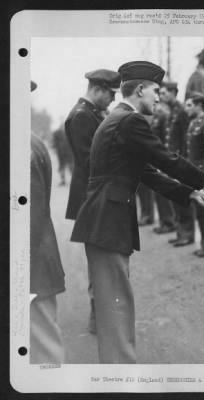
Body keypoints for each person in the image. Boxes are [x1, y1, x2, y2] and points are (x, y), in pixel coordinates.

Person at [71, 61, 204, 363]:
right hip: (107, 222)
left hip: (104, 220)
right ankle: (120, 379)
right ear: (140, 90)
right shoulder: (130, 121)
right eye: (156, 91)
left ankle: (119, 372)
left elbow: (147, 172)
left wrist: (188, 192)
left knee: (115, 304)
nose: (159, 97)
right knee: (116, 307)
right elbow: (164, 158)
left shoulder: (118, 119)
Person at [65, 69, 120, 333]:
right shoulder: (81, 117)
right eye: (110, 94)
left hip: (94, 195)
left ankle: (101, 316)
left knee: (102, 257)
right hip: (92, 196)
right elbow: (90, 161)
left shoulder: (90, 114)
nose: (111, 100)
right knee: (99, 259)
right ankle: (99, 319)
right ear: (97, 89)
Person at [30, 80, 66, 363]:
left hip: (30, 266)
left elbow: (28, 219)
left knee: (43, 352)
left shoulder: (22, 147)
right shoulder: (31, 141)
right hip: (35, 262)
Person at [160, 81, 195, 247]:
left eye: (165, 92)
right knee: (175, 197)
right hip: (172, 161)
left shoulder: (181, 111)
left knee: (182, 198)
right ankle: (180, 231)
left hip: (180, 161)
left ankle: (187, 234)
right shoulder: (171, 111)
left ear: (174, 92)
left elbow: (185, 138)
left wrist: (183, 162)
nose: (161, 96)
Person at [184, 92, 204, 257]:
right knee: (199, 210)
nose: (186, 108)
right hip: (193, 171)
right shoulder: (193, 123)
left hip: (202, 171)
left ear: (198, 105)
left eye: (189, 105)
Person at [151, 103, 177, 234]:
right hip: (157, 158)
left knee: (163, 192)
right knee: (158, 192)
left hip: (163, 159)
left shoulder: (163, 116)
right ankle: (164, 221)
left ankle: (169, 222)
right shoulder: (155, 116)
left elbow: (166, 140)